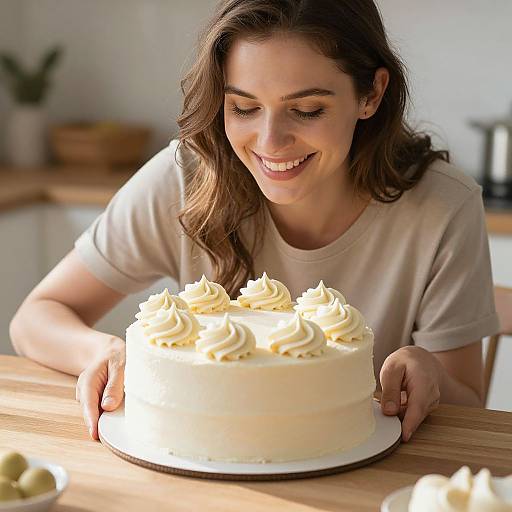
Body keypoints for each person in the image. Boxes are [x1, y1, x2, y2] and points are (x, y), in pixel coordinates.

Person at [10, 0, 499, 444]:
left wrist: (430, 373)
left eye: (307, 110)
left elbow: (468, 404)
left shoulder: (442, 207)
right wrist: (102, 351)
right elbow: (36, 316)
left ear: (371, 93)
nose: (270, 141)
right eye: (243, 107)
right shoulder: (186, 178)